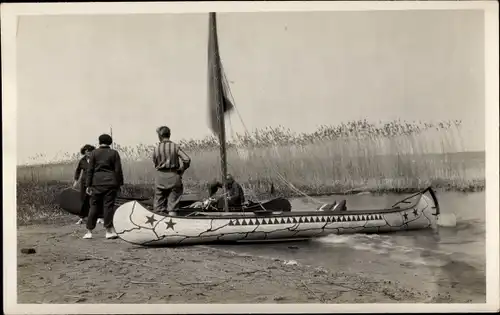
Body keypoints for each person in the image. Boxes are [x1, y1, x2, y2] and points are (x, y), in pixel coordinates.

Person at [83, 134, 124, 239]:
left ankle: (89, 231)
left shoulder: (93, 153)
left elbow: (90, 170)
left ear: (99, 142)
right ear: (110, 142)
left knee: (94, 206)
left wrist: (88, 185)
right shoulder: (114, 153)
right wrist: (120, 184)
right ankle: (109, 231)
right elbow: (118, 170)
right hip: (110, 183)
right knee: (108, 206)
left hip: (96, 183)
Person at [152, 126, 191, 214]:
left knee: (158, 207)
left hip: (160, 177)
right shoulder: (175, 147)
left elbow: (155, 163)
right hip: (173, 176)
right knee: (173, 206)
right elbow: (187, 159)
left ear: (160, 136)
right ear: (169, 134)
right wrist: (182, 169)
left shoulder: (156, 149)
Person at [73, 144, 104, 225]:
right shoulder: (82, 160)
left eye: (90, 151)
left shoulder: (97, 159)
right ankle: (82, 218)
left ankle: (100, 217)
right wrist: (76, 180)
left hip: (95, 182)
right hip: (84, 182)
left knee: (97, 199)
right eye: (87, 151)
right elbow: (78, 170)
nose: (89, 153)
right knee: (83, 199)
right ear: (84, 152)